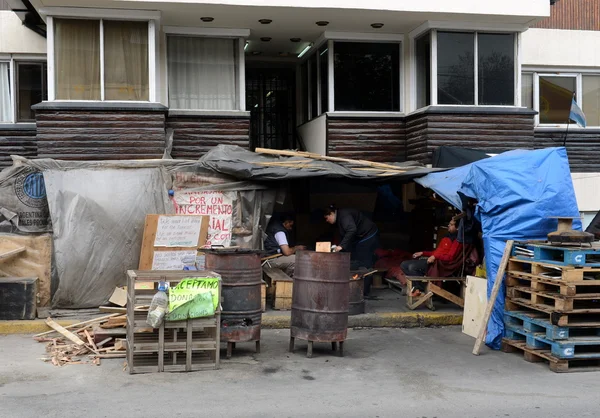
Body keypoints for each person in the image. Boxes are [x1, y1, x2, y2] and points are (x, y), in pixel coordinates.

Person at [324, 205, 379, 295]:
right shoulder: (340, 218)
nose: (327, 221)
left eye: (327, 218)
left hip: (369, 234)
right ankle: (360, 289)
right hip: (362, 236)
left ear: (331, 214)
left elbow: (351, 229)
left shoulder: (344, 216)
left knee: (364, 260)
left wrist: (341, 246)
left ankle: (365, 291)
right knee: (359, 257)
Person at [400, 218, 462, 296]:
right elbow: (435, 253)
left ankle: (419, 289)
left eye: (451, 224)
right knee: (404, 264)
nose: (448, 225)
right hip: (433, 260)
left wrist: (435, 257)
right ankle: (420, 287)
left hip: (440, 264)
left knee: (412, 267)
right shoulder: (446, 237)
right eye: (449, 224)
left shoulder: (457, 241)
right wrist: (423, 253)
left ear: (458, 228)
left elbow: (450, 257)